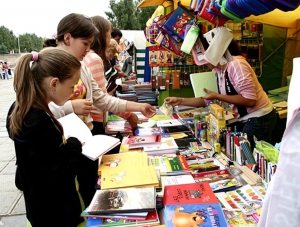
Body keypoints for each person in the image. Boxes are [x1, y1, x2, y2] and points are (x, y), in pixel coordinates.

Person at [43, 13, 156, 209]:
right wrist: (71, 107)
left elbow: (102, 99)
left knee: (87, 196)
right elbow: (38, 109)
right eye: (85, 43)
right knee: (69, 203)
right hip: (61, 149)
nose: (88, 50)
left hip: (84, 144)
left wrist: (138, 108)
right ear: (67, 38)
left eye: (90, 44)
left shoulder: (81, 67)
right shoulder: (47, 66)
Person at [6, 48, 83, 227]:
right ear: (54, 84)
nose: (73, 92)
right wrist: (73, 144)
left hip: (37, 207)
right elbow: (62, 171)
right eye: (72, 86)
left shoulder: (19, 109)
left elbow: (37, 157)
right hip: (55, 212)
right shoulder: (38, 121)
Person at [165, 39, 276, 150]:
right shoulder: (220, 70)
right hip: (247, 118)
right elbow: (207, 100)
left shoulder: (236, 64)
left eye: (205, 59)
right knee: (244, 154)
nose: (206, 64)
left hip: (259, 117)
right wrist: (180, 101)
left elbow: (250, 100)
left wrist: (218, 96)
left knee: (248, 155)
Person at [82, 16, 134, 136]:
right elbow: (102, 99)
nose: (110, 39)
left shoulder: (87, 58)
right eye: (109, 35)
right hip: (94, 120)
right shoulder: (94, 59)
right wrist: (129, 114)